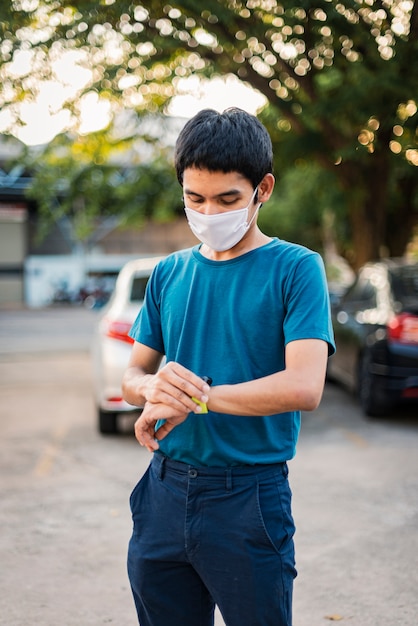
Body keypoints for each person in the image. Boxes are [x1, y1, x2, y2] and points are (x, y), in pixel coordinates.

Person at [122, 107, 335, 626]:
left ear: (262, 189)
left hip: (249, 498)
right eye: (195, 198)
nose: (208, 212)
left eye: (226, 199)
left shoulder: (297, 269)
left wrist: (196, 398)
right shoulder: (168, 273)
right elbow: (131, 379)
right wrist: (154, 386)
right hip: (163, 491)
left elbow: (304, 386)